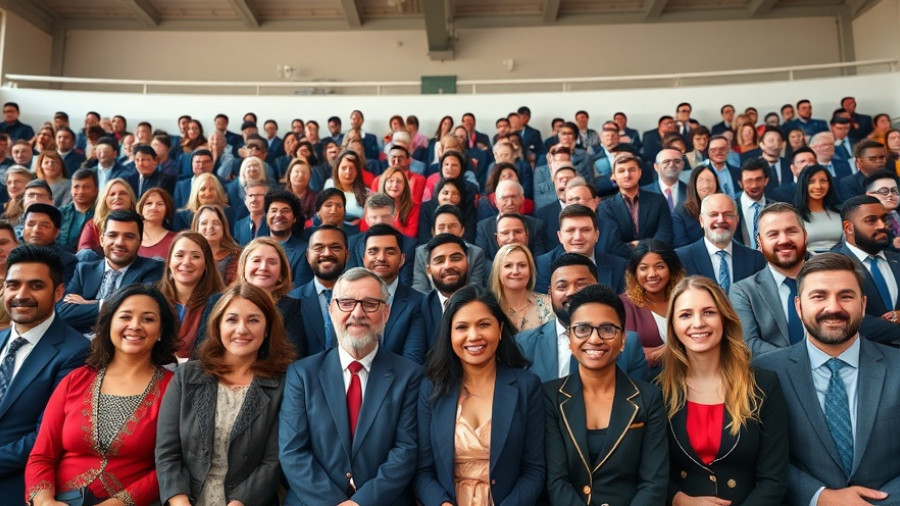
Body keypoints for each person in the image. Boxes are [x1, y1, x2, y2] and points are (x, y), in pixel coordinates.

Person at [754, 253, 900, 505]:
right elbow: (757, 454)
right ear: (799, 306)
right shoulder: (764, 373)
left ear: (863, 305)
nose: (833, 307)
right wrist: (818, 496)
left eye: (846, 296)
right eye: (819, 296)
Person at [280, 267, 423, 505]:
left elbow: (405, 451)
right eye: (346, 303)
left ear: (386, 312)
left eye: (370, 303)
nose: (357, 313)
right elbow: (293, 452)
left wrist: (361, 502)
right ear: (331, 310)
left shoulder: (410, 376)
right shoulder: (302, 374)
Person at [24, 283, 177, 505]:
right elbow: (42, 455)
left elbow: (170, 464)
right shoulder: (76, 380)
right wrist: (45, 501)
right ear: (109, 324)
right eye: (125, 316)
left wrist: (118, 503)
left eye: (148, 319)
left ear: (161, 330)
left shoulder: (174, 389)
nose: (135, 326)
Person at [156, 283, 296, 506]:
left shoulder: (284, 383)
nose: (242, 329)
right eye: (232, 319)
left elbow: (273, 461)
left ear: (268, 328)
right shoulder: (188, 376)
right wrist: (179, 500)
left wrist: (239, 503)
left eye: (253, 320)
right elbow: (167, 452)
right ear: (218, 325)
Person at [661, 275, 788, 504]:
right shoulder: (657, 391)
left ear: (725, 319)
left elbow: (773, 480)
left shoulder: (763, 385)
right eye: (686, 315)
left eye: (709, 312)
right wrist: (679, 499)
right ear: (673, 325)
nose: (698, 323)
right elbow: (650, 472)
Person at [414, 285, 545, 506]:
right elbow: (423, 471)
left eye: (484, 324)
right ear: (449, 334)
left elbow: (534, 470)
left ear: (501, 329)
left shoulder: (527, 387)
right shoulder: (431, 389)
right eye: (462, 327)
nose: (474, 336)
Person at [544, 283, 668, 504]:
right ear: (570, 340)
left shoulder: (649, 398)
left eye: (607, 329)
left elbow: (653, 483)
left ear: (622, 340)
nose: (594, 339)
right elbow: (556, 481)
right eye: (582, 329)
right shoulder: (550, 396)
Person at [0, 246, 89, 501]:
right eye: (13, 285)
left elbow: (46, 437)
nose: (21, 295)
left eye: (36, 286)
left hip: (16, 484)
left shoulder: (77, 352)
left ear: (59, 292)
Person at [516, 253, 648, 384]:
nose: (572, 292)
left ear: (596, 287)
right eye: (562, 286)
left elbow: (636, 400)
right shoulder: (525, 344)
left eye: (581, 285)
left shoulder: (629, 345)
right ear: (550, 293)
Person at [59, 210, 165, 334]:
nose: (119, 242)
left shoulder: (153, 268)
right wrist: (107, 306)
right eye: (113, 235)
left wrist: (92, 304)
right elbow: (64, 313)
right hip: (81, 346)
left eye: (129, 237)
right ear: (102, 240)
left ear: (139, 241)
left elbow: (140, 308)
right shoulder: (84, 270)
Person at [730, 202, 810, 356]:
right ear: (759, 243)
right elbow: (749, 344)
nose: (783, 240)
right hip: (777, 375)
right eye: (773, 234)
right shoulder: (744, 292)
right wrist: (799, 363)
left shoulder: (831, 280)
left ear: (805, 236)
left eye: (791, 231)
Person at [836, 195, 900, 343]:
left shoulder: (897, 259)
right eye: (871, 220)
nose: (882, 225)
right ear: (848, 227)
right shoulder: (834, 266)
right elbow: (850, 321)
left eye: (884, 219)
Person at [360, 224, 427, 363]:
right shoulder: (348, 300)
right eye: (373, 252)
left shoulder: (417, 303)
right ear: (363, 258)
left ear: (402, 259)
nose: (381, 258)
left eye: (390, 252)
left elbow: (413, 360)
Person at [676, 193, 766, 293]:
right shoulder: (681, 259)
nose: (721, 220)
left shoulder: (755, 259)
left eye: (728, 215)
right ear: (702, 221)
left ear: (736, 220)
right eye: (713, 214)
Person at [157, 231, 226, 360]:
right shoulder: (153, 300)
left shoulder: (219, 305)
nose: (186, 262)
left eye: (195, 256)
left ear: (206, 264)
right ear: (169, 261)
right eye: (179, 255)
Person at [622, 239, 685, 376]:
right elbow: (630, 355)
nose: (652, 274)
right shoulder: (625, 304)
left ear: (671, 269)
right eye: (644, 268)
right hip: (649, 383)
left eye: (659, 266)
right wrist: (674, 349)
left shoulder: (686, 297)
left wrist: (655, 352)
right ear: (635, 273)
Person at [534, 204, 626, 294]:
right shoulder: (541, 266)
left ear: (596, 235)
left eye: (585, 230)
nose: (578, 237)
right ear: (560, 236)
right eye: (570, 230)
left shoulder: (620, 267)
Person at [288, 225, 349, 355]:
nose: (327, 253)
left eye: (335, 247)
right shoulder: (292, 301)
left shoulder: (362, 299)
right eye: (319, 248)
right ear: (308, 255)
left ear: (347, 255)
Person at [599, 153, 674, 258]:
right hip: (623, 265)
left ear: (640, 173)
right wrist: (645, 247)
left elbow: (665, 236)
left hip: (656, 259)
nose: (627, 175)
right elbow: (612, 245)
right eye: (621, 171)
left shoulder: (658, 201)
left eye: (632, 170)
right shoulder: (605, 207)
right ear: (613, 176)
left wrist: (637, 246)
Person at [412, 205, 487, 293]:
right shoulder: (422, 252)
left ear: (462, 230)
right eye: (441, 227)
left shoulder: (476, 253)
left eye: (453, 226)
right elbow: (420, 288)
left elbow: (475, 288)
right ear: (433, 232)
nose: (447, 231)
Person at [420, 233, 471, 346]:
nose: (448, 265)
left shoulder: (486, 303)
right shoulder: (420, 308)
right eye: (439, 261)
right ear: (428, 270)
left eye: (456, 258)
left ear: (468, 263)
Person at [488, 243, 552, 332]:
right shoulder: (487, 308)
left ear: (530, 270)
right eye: (508, 266)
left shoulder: (548, 306)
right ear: (498, 271)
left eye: (522, 265)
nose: (515, 271)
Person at [77, 178, 136, 255]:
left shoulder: (140, 223)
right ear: (105, 200)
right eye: (112, 194)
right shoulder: (93, 225)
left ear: (131, 198)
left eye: (122, 193)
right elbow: (84, 255)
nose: (117, 197)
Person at [795, 164, 844, 253]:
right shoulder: (794, 215)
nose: (818, 186)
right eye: (811, 182)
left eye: (823, 181)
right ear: (803, 185)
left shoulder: (840, 212)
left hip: (839, 261)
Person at [192, 204, 241, 285]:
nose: (210, 227)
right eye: (204, 223)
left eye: (216, 223)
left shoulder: (237, 255)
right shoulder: (189, 256)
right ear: (196, 228)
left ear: (223, 227)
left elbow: (234, 289)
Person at [58, 169, 98, 253]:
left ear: (96, 190)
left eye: (87, 187)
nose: (81, 191)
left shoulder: (102, 215)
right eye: (76, 187)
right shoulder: (59, 213)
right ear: (71, 189)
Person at [325, 150, 369, 224]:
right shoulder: (329, 185)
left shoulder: (367, 194)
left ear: (358, 171)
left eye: (352, 168)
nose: (348, 172)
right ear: (337, 169)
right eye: (344, 168)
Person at [377, 166, 420, 237]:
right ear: (384, 184)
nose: (394, 185)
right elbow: (366, 230)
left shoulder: (415, 207)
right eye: (390, 181)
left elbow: (409, 236)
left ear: (405, 186)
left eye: (399, 181)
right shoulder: (374, 205)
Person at [137, 187, 177, 261]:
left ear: (167, 209)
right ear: (141, 208)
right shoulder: (130, 235)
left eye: (160, 204)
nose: (154, 207)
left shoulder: (176, 240)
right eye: (149, 203)